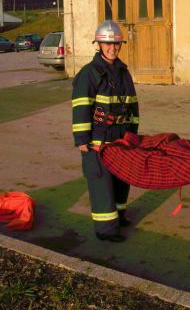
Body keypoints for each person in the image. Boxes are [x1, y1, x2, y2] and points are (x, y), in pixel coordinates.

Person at [72, 20, 139, 243]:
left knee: (122, 179)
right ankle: (106, 229)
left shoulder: (123, 71)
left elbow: (133, 104)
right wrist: (82, 139)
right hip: (98, 139)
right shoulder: (88, 74)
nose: (112, 48)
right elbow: (81, 107)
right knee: (102, 183)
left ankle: (119, 216)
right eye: (107, 44)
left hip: (121, 136)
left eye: (116, 44)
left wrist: (133, 133)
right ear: (99, 45)